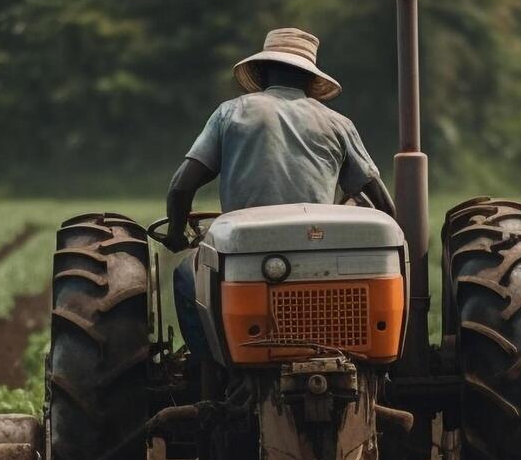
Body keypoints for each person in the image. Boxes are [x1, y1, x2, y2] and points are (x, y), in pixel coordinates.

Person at [161, 27, 395, 351]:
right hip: (321, 253)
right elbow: (384, 205)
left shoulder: (232, 112)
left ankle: (210, 374)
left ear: (261, 70)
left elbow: (180, 187)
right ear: (312, 81)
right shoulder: (338, 123)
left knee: (187, 276)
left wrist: (175, 234)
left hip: (244, 252)